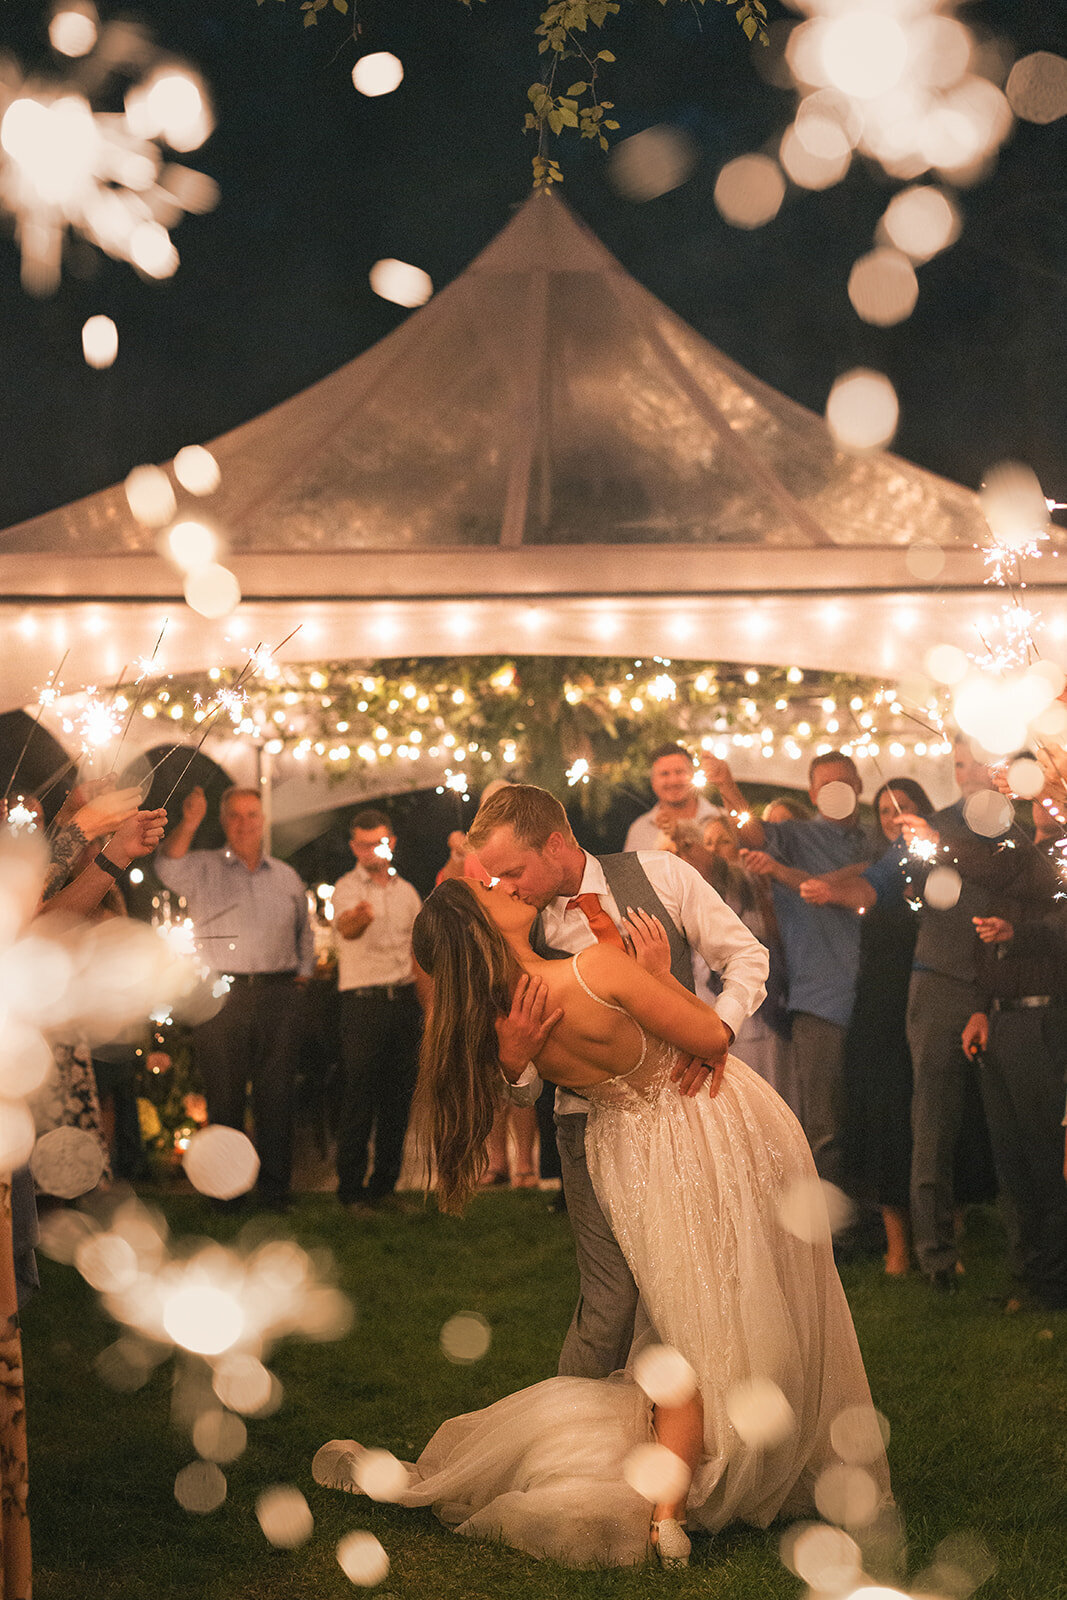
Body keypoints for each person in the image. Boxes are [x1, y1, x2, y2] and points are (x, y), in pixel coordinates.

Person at [315, 877, 890, 1568]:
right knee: (726, 1311)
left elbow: (522, 1082)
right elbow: (708, 1035)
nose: (506, 887)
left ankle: (674, 1498)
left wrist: (514, 1056)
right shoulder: (593, 969)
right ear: (482, 927)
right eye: (490, 891)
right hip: (702, 1131)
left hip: (627, 1156)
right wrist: (656, 974)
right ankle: (692, 1494)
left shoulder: (501, 1023)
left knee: (685, 1319)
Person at [467, 784, 768, 1381]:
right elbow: (523, 1090)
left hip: (689, 1114)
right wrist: (513, 1064)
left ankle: (681, 1433)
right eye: (495, 878)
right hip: (587, 1128)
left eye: (514, 870)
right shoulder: (517, 931)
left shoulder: (661, 875)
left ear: (555, 844)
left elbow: (747, 957)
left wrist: (721, 1031)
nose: (507, 887)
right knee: (610, 1304)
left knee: (697, 1291)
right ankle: (573, 1450)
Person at [704, 751, 872, 1191]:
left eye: (843, 782)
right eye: (826, 784)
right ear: (813, 793)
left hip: (878, 998)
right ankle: (837, 1237)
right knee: (827, 1125)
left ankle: (880, 1220)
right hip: (820, 1002)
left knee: (876, 1114)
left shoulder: (873, 841)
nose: (835, 791)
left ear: (858, 786)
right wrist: (727, 786)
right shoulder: (795, 836)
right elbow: (752, 832)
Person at [799, 777, 935, 1276]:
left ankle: (944, 1233)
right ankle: (897, 1245)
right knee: (886, 1117)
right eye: (883, 811)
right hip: (879, 1008)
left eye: (904, 808)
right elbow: (863, 889)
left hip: (928, 997)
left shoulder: (942, 860)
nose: (893, 817)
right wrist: (828, 891)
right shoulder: (882, 864)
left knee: (934, 1116)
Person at [156, 784, 313, 1211]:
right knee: (224, 1095)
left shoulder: (286, 876)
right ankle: (226, 1193)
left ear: (263, 822)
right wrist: (189, 821)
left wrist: (302, 974)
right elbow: (167, 868)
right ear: (223, 822)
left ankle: (276, 1192)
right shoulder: (204, 868)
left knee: (276, 1094)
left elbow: (305, 931)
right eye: (235, 816)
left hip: (277, 994)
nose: (244, 824)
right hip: (221, 994)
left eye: (252, 815)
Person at [332, 810, 428, 1214]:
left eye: (380, 841)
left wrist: (431, 1010)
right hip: (362, 1006)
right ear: (355, 847)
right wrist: (358, 919)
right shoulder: (345, 888)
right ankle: (351, 1192)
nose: (374, 850)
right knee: (359, 1097)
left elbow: (418, 956)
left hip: (403, 1003)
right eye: (365, 843)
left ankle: (384, 1187)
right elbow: (346, 928)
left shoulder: (408, 892)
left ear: (392, 842)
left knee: (397, 1100)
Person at [623, 743, 719, 853]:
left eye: (679, 772)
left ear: (693, 775)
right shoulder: (640, 830)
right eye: (664, 774)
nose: (673, 781)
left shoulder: (719, 818)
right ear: (653, 781)